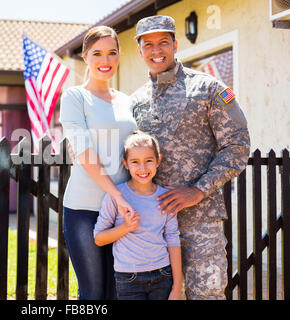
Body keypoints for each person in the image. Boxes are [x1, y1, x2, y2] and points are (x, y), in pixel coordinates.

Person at [130, 15, 251, 299]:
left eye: (163, 42)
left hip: (201, 223)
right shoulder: (135, 101)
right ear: (140, 50)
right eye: (148, 44)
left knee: (206, 295)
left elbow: (238, 145)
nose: (156, 50)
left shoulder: (208, 89)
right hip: (153, 225)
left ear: (174, 44)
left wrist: (198, 190)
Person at [59, 26, 137, 300]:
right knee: (92, 293)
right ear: (85, 57)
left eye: (112, 53)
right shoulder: (75, 97)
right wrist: (117, 195)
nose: (105, 61)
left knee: (118, 291)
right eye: (98, 54)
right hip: (84, 209)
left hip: (121, 211)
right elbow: (84, 152)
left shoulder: (128, 101)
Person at [94, 130, 182, 300]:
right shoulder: (117, 197)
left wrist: (177, 287)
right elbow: (99, 238)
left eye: (148, 160)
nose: (142, 168)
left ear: (158, 161)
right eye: (135, 162)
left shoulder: (165, 197)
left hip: (163, 275)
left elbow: (173, 239)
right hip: (128, 278)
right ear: (125, 163)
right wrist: (125, 227)